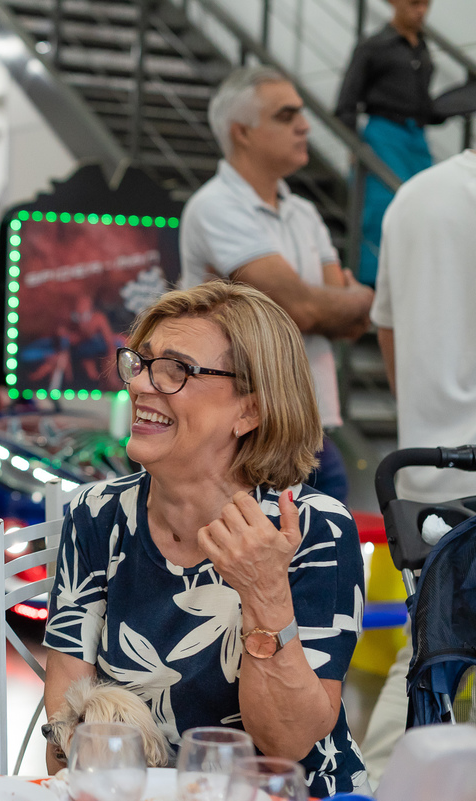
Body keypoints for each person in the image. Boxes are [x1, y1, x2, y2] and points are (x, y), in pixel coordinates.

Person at [43, 282, 369, 797]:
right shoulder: (98, 514)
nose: (143, 386)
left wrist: (264, 592)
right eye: (143, 362)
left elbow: (288, 742)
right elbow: (65, 736)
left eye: (177, 369)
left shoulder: (312, 530)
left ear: (251, 411)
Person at [180, 65, 375, 505]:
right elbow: (305, 310)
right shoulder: (216, 207)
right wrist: (355, 297)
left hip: (313, 427)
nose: (305, 126)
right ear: (242, 132)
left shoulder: (303, 211)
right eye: (286, 116)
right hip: (247, 433)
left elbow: (349, 323)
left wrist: (338, 306)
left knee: (325, 567)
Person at [360, 148, 476, 786]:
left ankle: (382, 784)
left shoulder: (414, 198)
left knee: (430, 652)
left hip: (429, 473)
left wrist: (432, 426)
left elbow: (388, 330)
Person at [335, 0, 437, 286]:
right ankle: (371, 284)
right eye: (414, 3)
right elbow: (346, 101)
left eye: (426, 4)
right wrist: (354, 144)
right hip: (383, 134)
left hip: (416, 137)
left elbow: (422, 102)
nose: (421, 11)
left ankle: (412, 281)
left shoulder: (423, 46)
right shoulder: (373, 45)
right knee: (382, 209)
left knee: (423, 207)